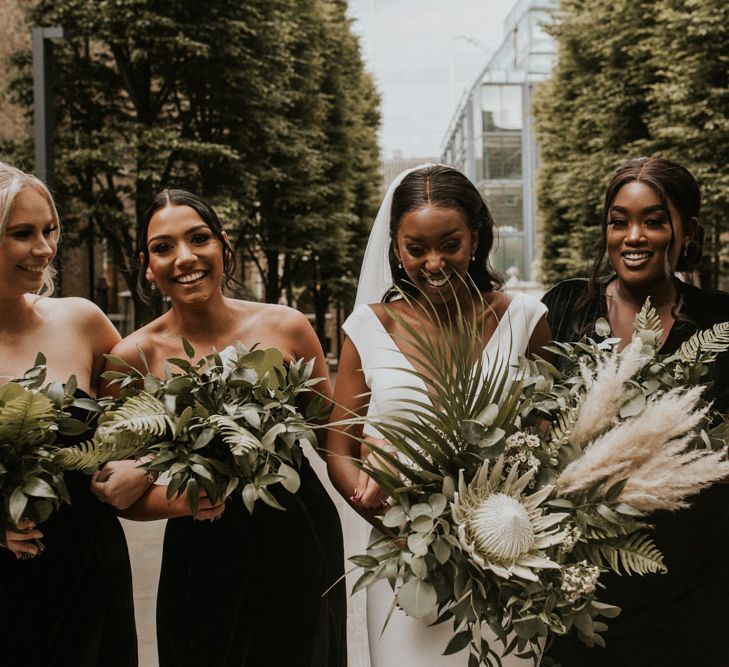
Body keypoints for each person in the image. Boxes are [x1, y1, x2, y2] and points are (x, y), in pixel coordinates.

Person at [91, 189, 347, 667]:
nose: (185, 257)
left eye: (199, 238)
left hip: (297, 534)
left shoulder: (287, 327)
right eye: (164, 247)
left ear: (224, 247)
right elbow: (117, 494)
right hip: (202, 551)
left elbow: (335, 436)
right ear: (148, 266)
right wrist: (182, 498)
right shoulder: (131, 358)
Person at [326, 164, 551, 666]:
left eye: (450, 244)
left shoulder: (526, 320)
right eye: (416, 248)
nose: (434, 263)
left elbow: (548, 441)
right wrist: (381, 512)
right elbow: (338, 449)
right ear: (395, 249)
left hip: (506, 562)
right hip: (404, 563)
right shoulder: (367, 328)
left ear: (477, 238)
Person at [542, 157, 729, 666]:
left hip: (699, 586)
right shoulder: (563, 309)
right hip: (584, 587)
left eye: (654, 220)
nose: (633, 236)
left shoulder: (720, 321)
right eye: (619, 220)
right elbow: (529, 425)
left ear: (686, 232)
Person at [0, 162, 137, 665]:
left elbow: (155, 419)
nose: (45, 248)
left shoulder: (82, 321)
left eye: (49, 230)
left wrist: (140, 468)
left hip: (88, 569)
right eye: (22, 233)